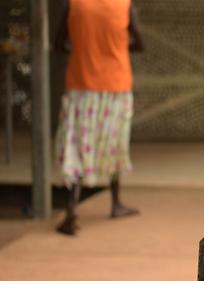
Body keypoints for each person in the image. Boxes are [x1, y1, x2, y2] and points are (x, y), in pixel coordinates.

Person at [53, 0, 144, 235]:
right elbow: (140, 43)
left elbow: (59, 44)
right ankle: (115, 203)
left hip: (80, 85)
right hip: (116, 85)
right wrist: (116, 47)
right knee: (114, 145)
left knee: (76, 145)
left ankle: (72, 208)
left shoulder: (73, 5)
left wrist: (85, 49)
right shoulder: (125, 6)